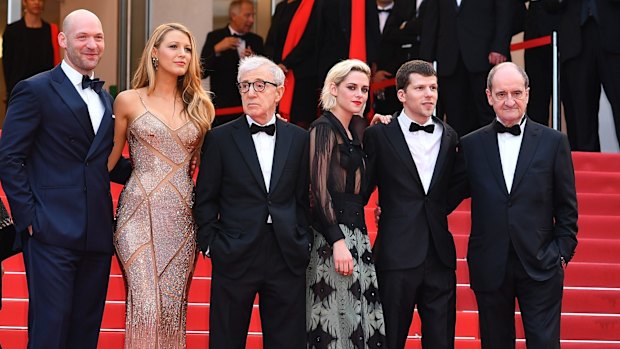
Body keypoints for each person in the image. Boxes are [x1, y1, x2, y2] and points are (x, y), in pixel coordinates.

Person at [0, 9, 131, 348]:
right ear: (62, 41)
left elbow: (105, 163)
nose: (92, 45)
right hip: (50, 230)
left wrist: (164, 170)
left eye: (98, 37)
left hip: (97, 232)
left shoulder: (106, 98)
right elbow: (10, 157)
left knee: (85, 331)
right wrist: (28, 217)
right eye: (82, 37)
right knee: (50, 329)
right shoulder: (34, 89)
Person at [107, 23, 214, 348]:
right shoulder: (127, 100)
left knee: (171, 309)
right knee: (146, 303)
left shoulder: (201, 107)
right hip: (135, 217)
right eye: (173, 47)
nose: (182, 54)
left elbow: (204, 169)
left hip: (182, 221)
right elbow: (106, 163)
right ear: (155, 53)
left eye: (187, 49)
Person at [456, 62, 578, 349]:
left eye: (516, 93)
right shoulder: (471, 145)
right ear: (489, 96)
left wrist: (561, 253)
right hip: (490, 263)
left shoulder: (553, 142)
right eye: (501, 94)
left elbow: (567, 206)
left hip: (541, 262)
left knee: (544, 343)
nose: (509, 101)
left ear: (527, 94)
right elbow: (443, 195)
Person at [193, 55, 311, 348]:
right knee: (226, 338)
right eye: (245, 86)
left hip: (285, 251)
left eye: (260, 85)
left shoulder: (299, 138)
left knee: (287, 340)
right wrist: (211, 243)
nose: (251, 92)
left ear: (279, 92)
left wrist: (303, 237)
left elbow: (303, 197)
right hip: (235, 251)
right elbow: (206, 197)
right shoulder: (219, 138)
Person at [364, 59, 464, 349]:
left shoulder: (449, 136)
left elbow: (452, 188)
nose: (429, 94)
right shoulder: (379, 134)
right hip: (396, 256)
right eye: (420, 88)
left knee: (442, 341)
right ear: (401, 95)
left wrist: (436, 211)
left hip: (439, 257)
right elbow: (361, 189)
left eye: (433, 87)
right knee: (389, 339)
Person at [306, 59, 386, 348]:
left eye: (364, 89)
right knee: (336, 324)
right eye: (351, 87)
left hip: (359, 237)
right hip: (332, 238)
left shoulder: (357, 130)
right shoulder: (323, 128)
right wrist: (337, 241)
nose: (359, 94)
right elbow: (318, 191)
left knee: (358, 322)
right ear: (333, 88)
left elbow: (361, 191)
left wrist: (375, 134)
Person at [420, 0, 513, 136]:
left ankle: (492, 154)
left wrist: (499, 46)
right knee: (455, 116)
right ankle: (461, 155)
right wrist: (426, 57)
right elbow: (431, 18)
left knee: (488, 113)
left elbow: (505, 11)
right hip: (449, 57)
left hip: (483, 56)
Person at [557, 0, 620, 151]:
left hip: (614, 35)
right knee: (581, 118)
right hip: (575, 41)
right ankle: (587, 171)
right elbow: (550, 6)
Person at [200, 0, 264, 127]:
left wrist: (255, 61)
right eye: (247, 15)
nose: (251, 20)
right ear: (233, 15)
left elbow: (266, 77)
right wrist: (217, 49)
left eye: (253, 16)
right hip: (222, 109)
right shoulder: (215, 37)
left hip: (250, 108)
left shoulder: (257, 41)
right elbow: (202, 72)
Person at [264, 0, 319, 128]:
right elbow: (271, 39)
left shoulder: (314, 4)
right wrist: (274, 64)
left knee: (301, 122)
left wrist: (286, 63)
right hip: (278, 74)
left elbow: (311, 40)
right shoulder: (281, 7)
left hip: (302, 75)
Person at [2, 0, 61, 102]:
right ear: (24, 2)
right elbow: (7, 65)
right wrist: (9, 91)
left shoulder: (50, 30)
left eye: (40, 0)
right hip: (19, 91)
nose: (37, 2)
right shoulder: (12, 30)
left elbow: (53, 62)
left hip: (45, 91)